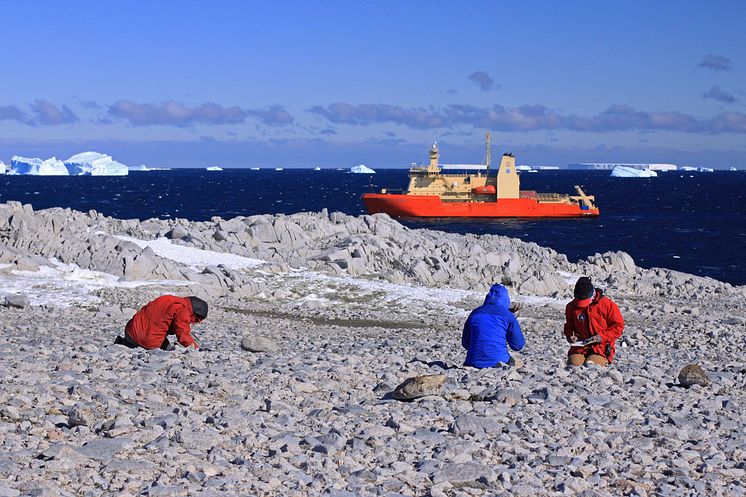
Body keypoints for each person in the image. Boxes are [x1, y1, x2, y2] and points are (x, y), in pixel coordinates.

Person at [564, 277, 624, 366]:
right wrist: (571, 336)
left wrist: (601, 337)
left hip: (601, 347)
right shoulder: (571, 307)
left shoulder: (607, 305)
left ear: (592, 295)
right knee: (573, 364)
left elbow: (618, 326)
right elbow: (569, 326)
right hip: (580, 347)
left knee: (591, 365)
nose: (581, 304)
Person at [462, 284, 525, 368]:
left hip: (472, 361)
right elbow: (518, 345)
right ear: (505, 298)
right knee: (516, 364)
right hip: (499, 360)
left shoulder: (475, 313)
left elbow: (465, 343)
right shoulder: (508, 315)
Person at [115, 295, 207, 350]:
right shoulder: (183, 310)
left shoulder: (169, 299)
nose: (195, 322)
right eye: (196, 319)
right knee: (167, 347)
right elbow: (183, 334)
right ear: (195, 313)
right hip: (149, 342)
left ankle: (123, 344)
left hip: (130, 332)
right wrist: (195, 348)